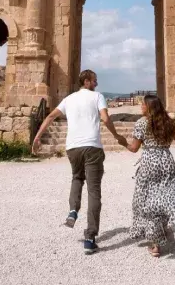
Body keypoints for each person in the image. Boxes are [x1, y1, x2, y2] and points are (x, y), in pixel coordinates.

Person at [32, 69, 125, 254]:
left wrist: (37, 137)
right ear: (87, 81)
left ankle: (73, 211)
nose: (97, 84)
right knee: (94, 191)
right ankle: (90, 238)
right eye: (95, 80)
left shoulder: (69, 99)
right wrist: (116, 136)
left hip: (72, 148)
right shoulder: (98, 97)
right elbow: (105, 118)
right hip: (92, 148)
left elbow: (50, 116)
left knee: (76, 178)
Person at [117, 94, 175, 258]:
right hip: (166, 161)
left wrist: (122, 141)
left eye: (143, 104)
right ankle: (166, 227)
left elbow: (134, 148)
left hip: (149, 163)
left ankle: (155, 244)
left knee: (147, 200)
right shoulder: (169, 123)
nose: (141, 107)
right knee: (167, 195)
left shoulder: (141, 123)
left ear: (150, 107)